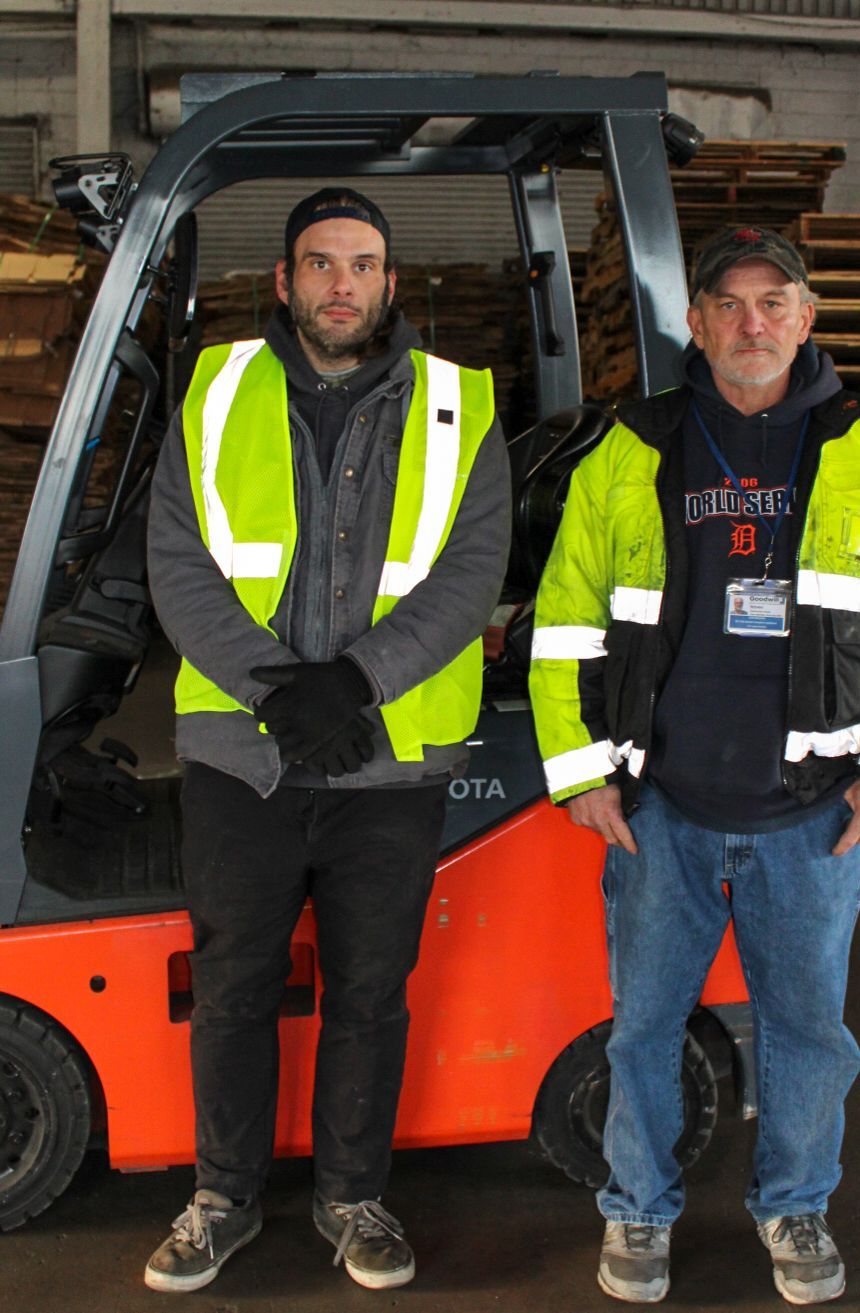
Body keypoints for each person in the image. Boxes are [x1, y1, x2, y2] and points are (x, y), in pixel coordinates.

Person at [529, 226, 860, 1306]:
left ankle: (795, 1203)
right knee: (642, 1027)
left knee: (809, 1030)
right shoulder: (636, 444)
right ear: (698, 321)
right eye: (730, 303)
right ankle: (636, 1210)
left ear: (807, 318)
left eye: (775, 303)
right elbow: (566, 614)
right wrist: (583, 772)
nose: (752, 323)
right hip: (662, 804)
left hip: (812, 814)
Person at [145, 187, 511, 1294]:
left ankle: (353, 1195)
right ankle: (223, 1196)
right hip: (240, 753)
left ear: (393, 282)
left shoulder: (461, 405)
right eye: (319, 263)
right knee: (234, 984)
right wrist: (273, 689)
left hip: (384, 757)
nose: (340, 283)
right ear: (285, 281)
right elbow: (177, 558)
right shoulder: (213, 394)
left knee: (369, 986)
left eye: (360, 264)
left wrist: (355, 681)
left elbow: (468, 571)